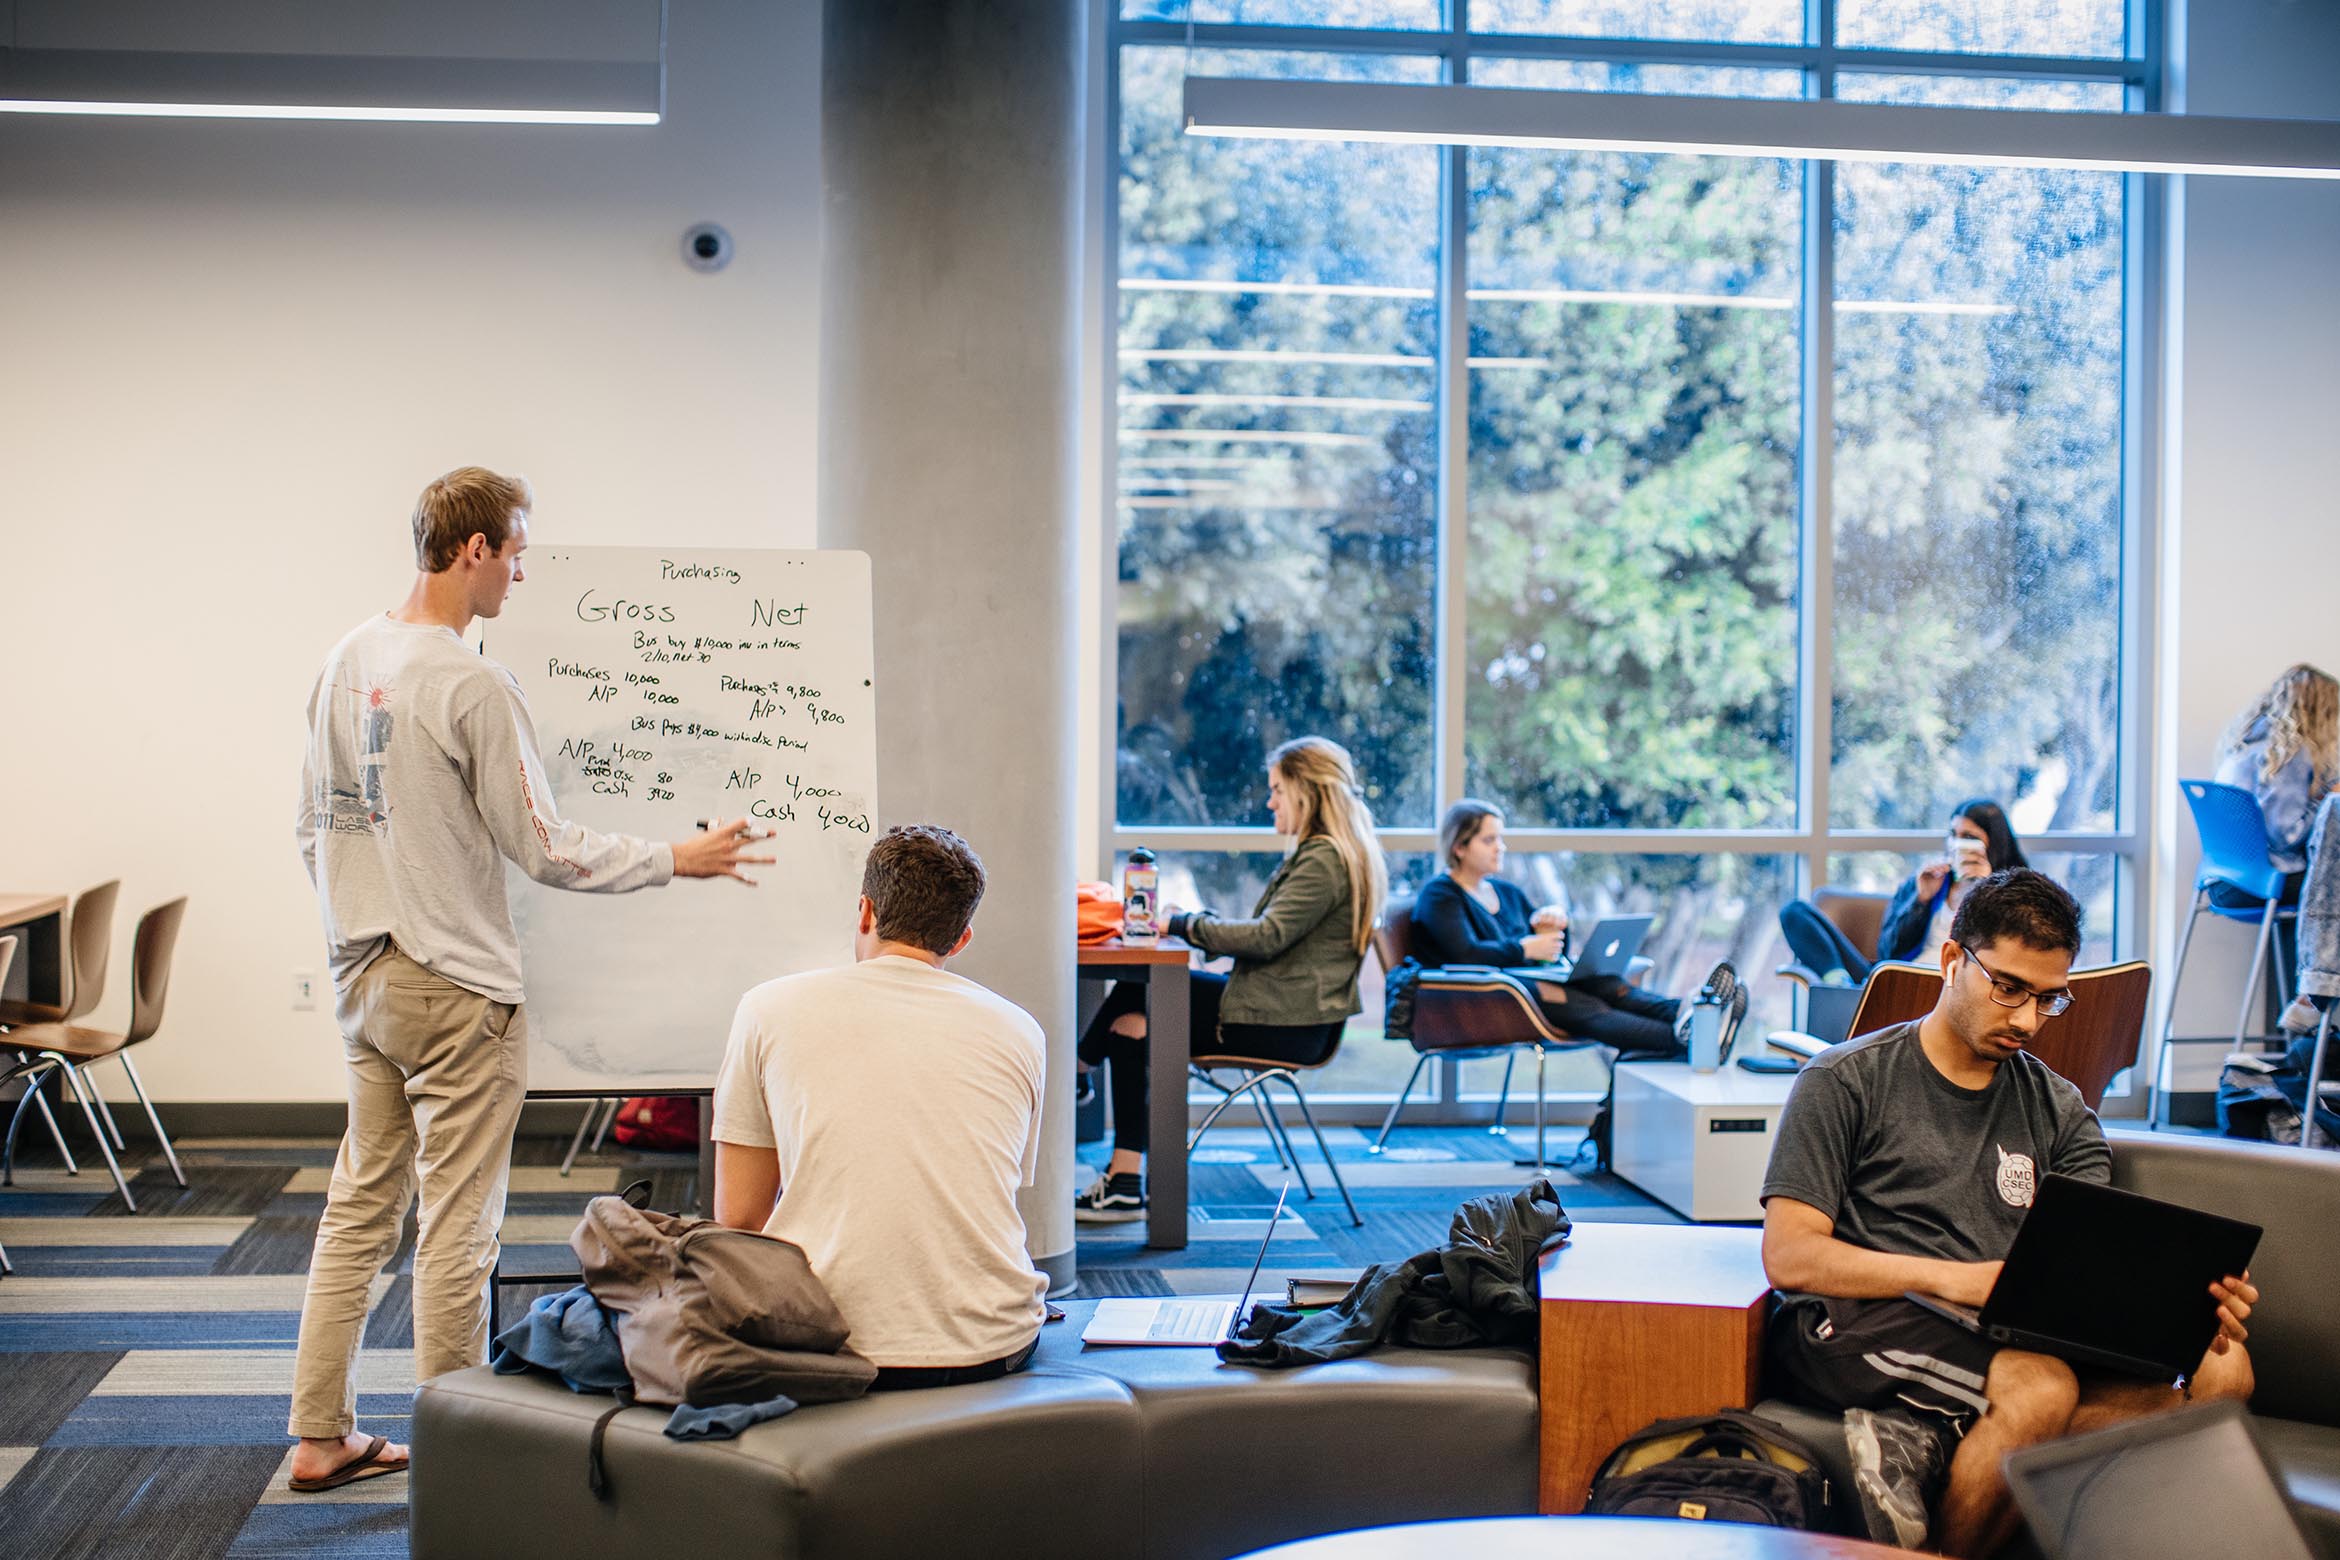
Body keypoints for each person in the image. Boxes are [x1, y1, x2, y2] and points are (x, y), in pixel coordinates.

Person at [286, 467, 769, 1492]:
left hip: (365, 978)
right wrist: (676, 857)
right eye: (515, 552)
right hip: (456, 990)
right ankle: (458, 1467)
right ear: (474, 550)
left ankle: (320, 1435)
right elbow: (545, 848)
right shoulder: (471, 682)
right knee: (458, 1227)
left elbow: (311, 828)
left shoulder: (345, 659)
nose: (520, 572)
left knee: (358, 1210)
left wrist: (356, 935)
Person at [1760, 869, 2259, 1556]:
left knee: (2225, 1373)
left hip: (2001, 1327)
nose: (2027, 1019)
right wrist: (1954, 1278)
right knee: (2038, 1389)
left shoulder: (2060, 1109)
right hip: (1858, 1317)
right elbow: (1789, 1255)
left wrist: (2189, 1308)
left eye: (2049, 999)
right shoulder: (1843, 1081)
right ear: (1952, 960)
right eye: (2009, 988)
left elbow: (2088, 1261)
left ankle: (1945, 1453)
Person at [711, 825, 1048, 1388]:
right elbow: (988, 1190)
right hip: (996, 1342)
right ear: (961, 939)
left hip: (827, 1344)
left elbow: (740, 1220)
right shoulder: (1020, 1029)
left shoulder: (767, 1009)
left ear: (864, 911)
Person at [1075, 736, 1387, 1221]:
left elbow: (1266, 937)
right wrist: (1190, 923)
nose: (1271, 802)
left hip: (1286, 1025)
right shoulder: (1329, 854)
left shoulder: (1323, 859)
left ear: (1304, 792)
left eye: (1277, 790)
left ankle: (1080, 1084)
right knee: (1133, 1017)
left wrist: (1181, 924)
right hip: (1283, 1011)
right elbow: (1273, 935)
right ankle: (1120, 1171)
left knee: (1138, 1000)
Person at [1409, 799, 1735, 1059]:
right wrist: (1526, 947)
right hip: (1483, 1000)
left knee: (1605, 984)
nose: (1500, 847)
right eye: (1489, 840)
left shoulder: (1505, 892)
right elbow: (1465, 955)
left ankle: (1689, 1012)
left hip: (1524, 986)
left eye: (1501, 839)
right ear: (1459, 847)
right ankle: (1692, 1040)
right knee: (1584, 1005)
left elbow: (1546, 951)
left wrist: (1552, 933)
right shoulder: (1440, 896)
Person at [1777, 798, 2027, 984]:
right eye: (1953, 834)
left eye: (1969, 837)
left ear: (1994, 844)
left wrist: (1988, 889)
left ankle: (1849, 994)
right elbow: (1888, 952)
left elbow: (2009, 955)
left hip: (1952, 990)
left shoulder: (2015, 892)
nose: (1956, 844)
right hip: (1896, 979)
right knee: (1795, 912)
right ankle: (1839, 983)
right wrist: (1920, 901)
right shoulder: (1932, 881)